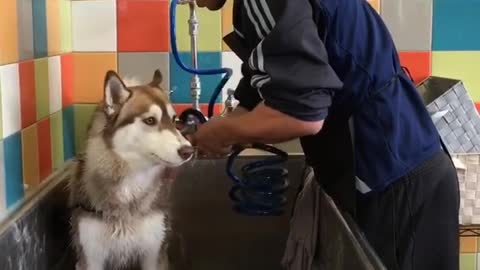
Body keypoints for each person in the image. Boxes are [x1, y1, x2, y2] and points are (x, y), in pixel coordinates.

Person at [190, 0, 460, 269]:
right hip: (401, 164)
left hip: (390, 176)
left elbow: (301, 114)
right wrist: (226, 129)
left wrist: (224, 130)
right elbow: (271, 81)